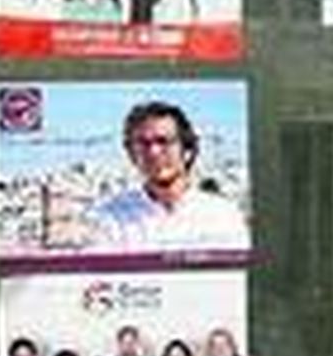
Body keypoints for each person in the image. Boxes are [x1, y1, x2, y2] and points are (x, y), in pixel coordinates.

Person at [86, 101, 250, 253]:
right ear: (131, 154)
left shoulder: (223, 216)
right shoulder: (107, 217)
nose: (154, 152)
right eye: (143, 143)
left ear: (186, 149)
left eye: (163, 141)